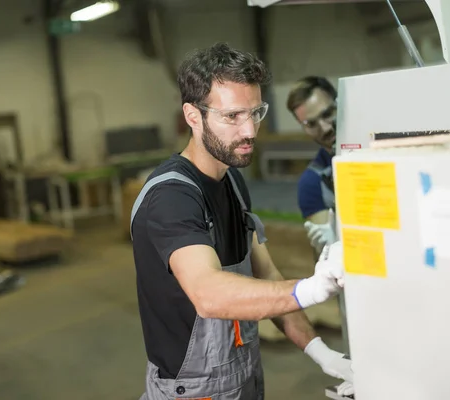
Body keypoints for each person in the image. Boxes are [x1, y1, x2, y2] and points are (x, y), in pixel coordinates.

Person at [130, 43, 353, 400]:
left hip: (243, 373)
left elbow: (266, 275)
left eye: (255, 113)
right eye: (232, 116)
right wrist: (314, 288)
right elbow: (208, 293)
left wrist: (321, 353)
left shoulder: (232, 181)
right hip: (195, 390)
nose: (250, 131)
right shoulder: (172, 197)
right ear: (192, 116)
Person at [286, 76, 339, 255]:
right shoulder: (313, 183)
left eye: (327, 113)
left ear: (340, 102)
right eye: (311, 124)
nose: (325, 128)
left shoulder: (382, 148)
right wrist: (332, 247)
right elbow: (325, 262)